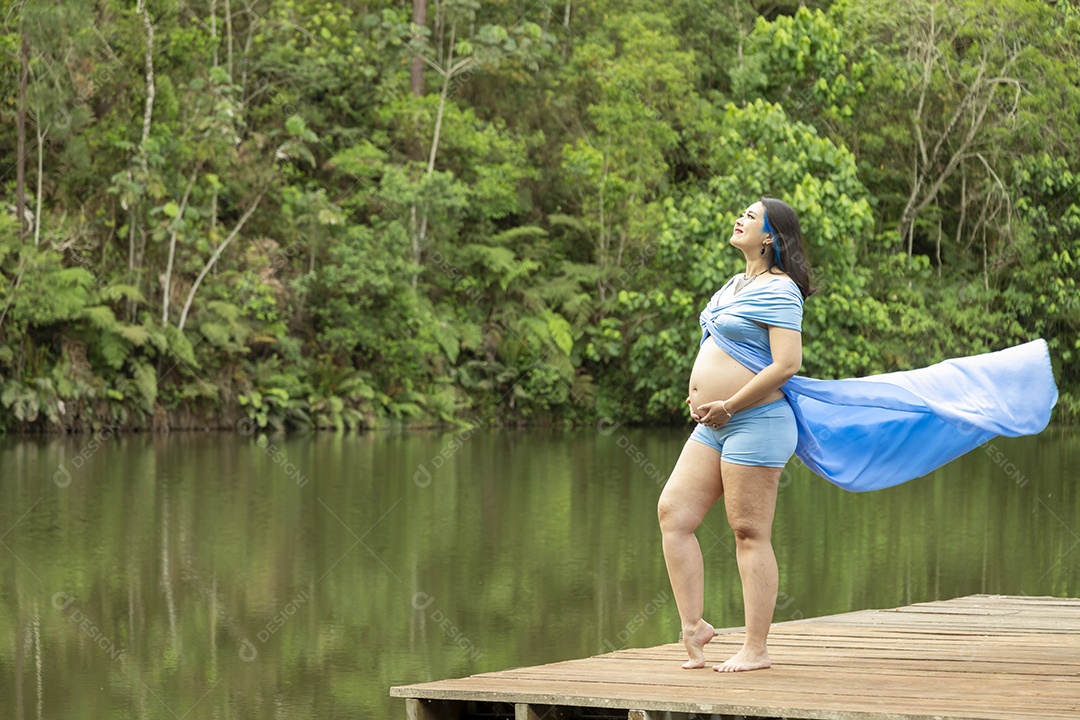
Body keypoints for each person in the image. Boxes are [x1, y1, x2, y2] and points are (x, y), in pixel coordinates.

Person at [657, 197, 811, 673]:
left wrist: (729, 402)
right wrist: (702, 395)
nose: (740, 218)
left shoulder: (782, 290)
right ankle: (694, 626)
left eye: (750, 215)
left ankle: (756, 648)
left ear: (770, 236)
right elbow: (723, 348)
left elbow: (787, 364)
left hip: (756, 421)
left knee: (748, 532)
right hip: (715, 422)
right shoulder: (733, 285)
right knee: (673, 513)